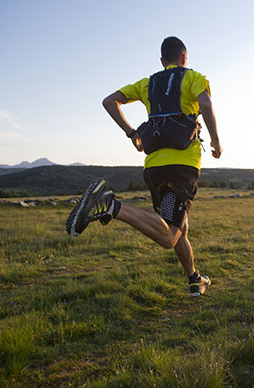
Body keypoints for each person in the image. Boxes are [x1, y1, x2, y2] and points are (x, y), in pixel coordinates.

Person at [66, 36, 222, 297]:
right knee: (169, 234)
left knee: (180, 227)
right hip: (182, 166)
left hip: (153, 168)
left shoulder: (147, 83)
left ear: (162, 61)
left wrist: (131, 133)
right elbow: (205, 104)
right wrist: (216, 143)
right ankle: (111, 205)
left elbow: (109, 101)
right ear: (184, 57)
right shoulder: (194, 77)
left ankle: (195, 279)